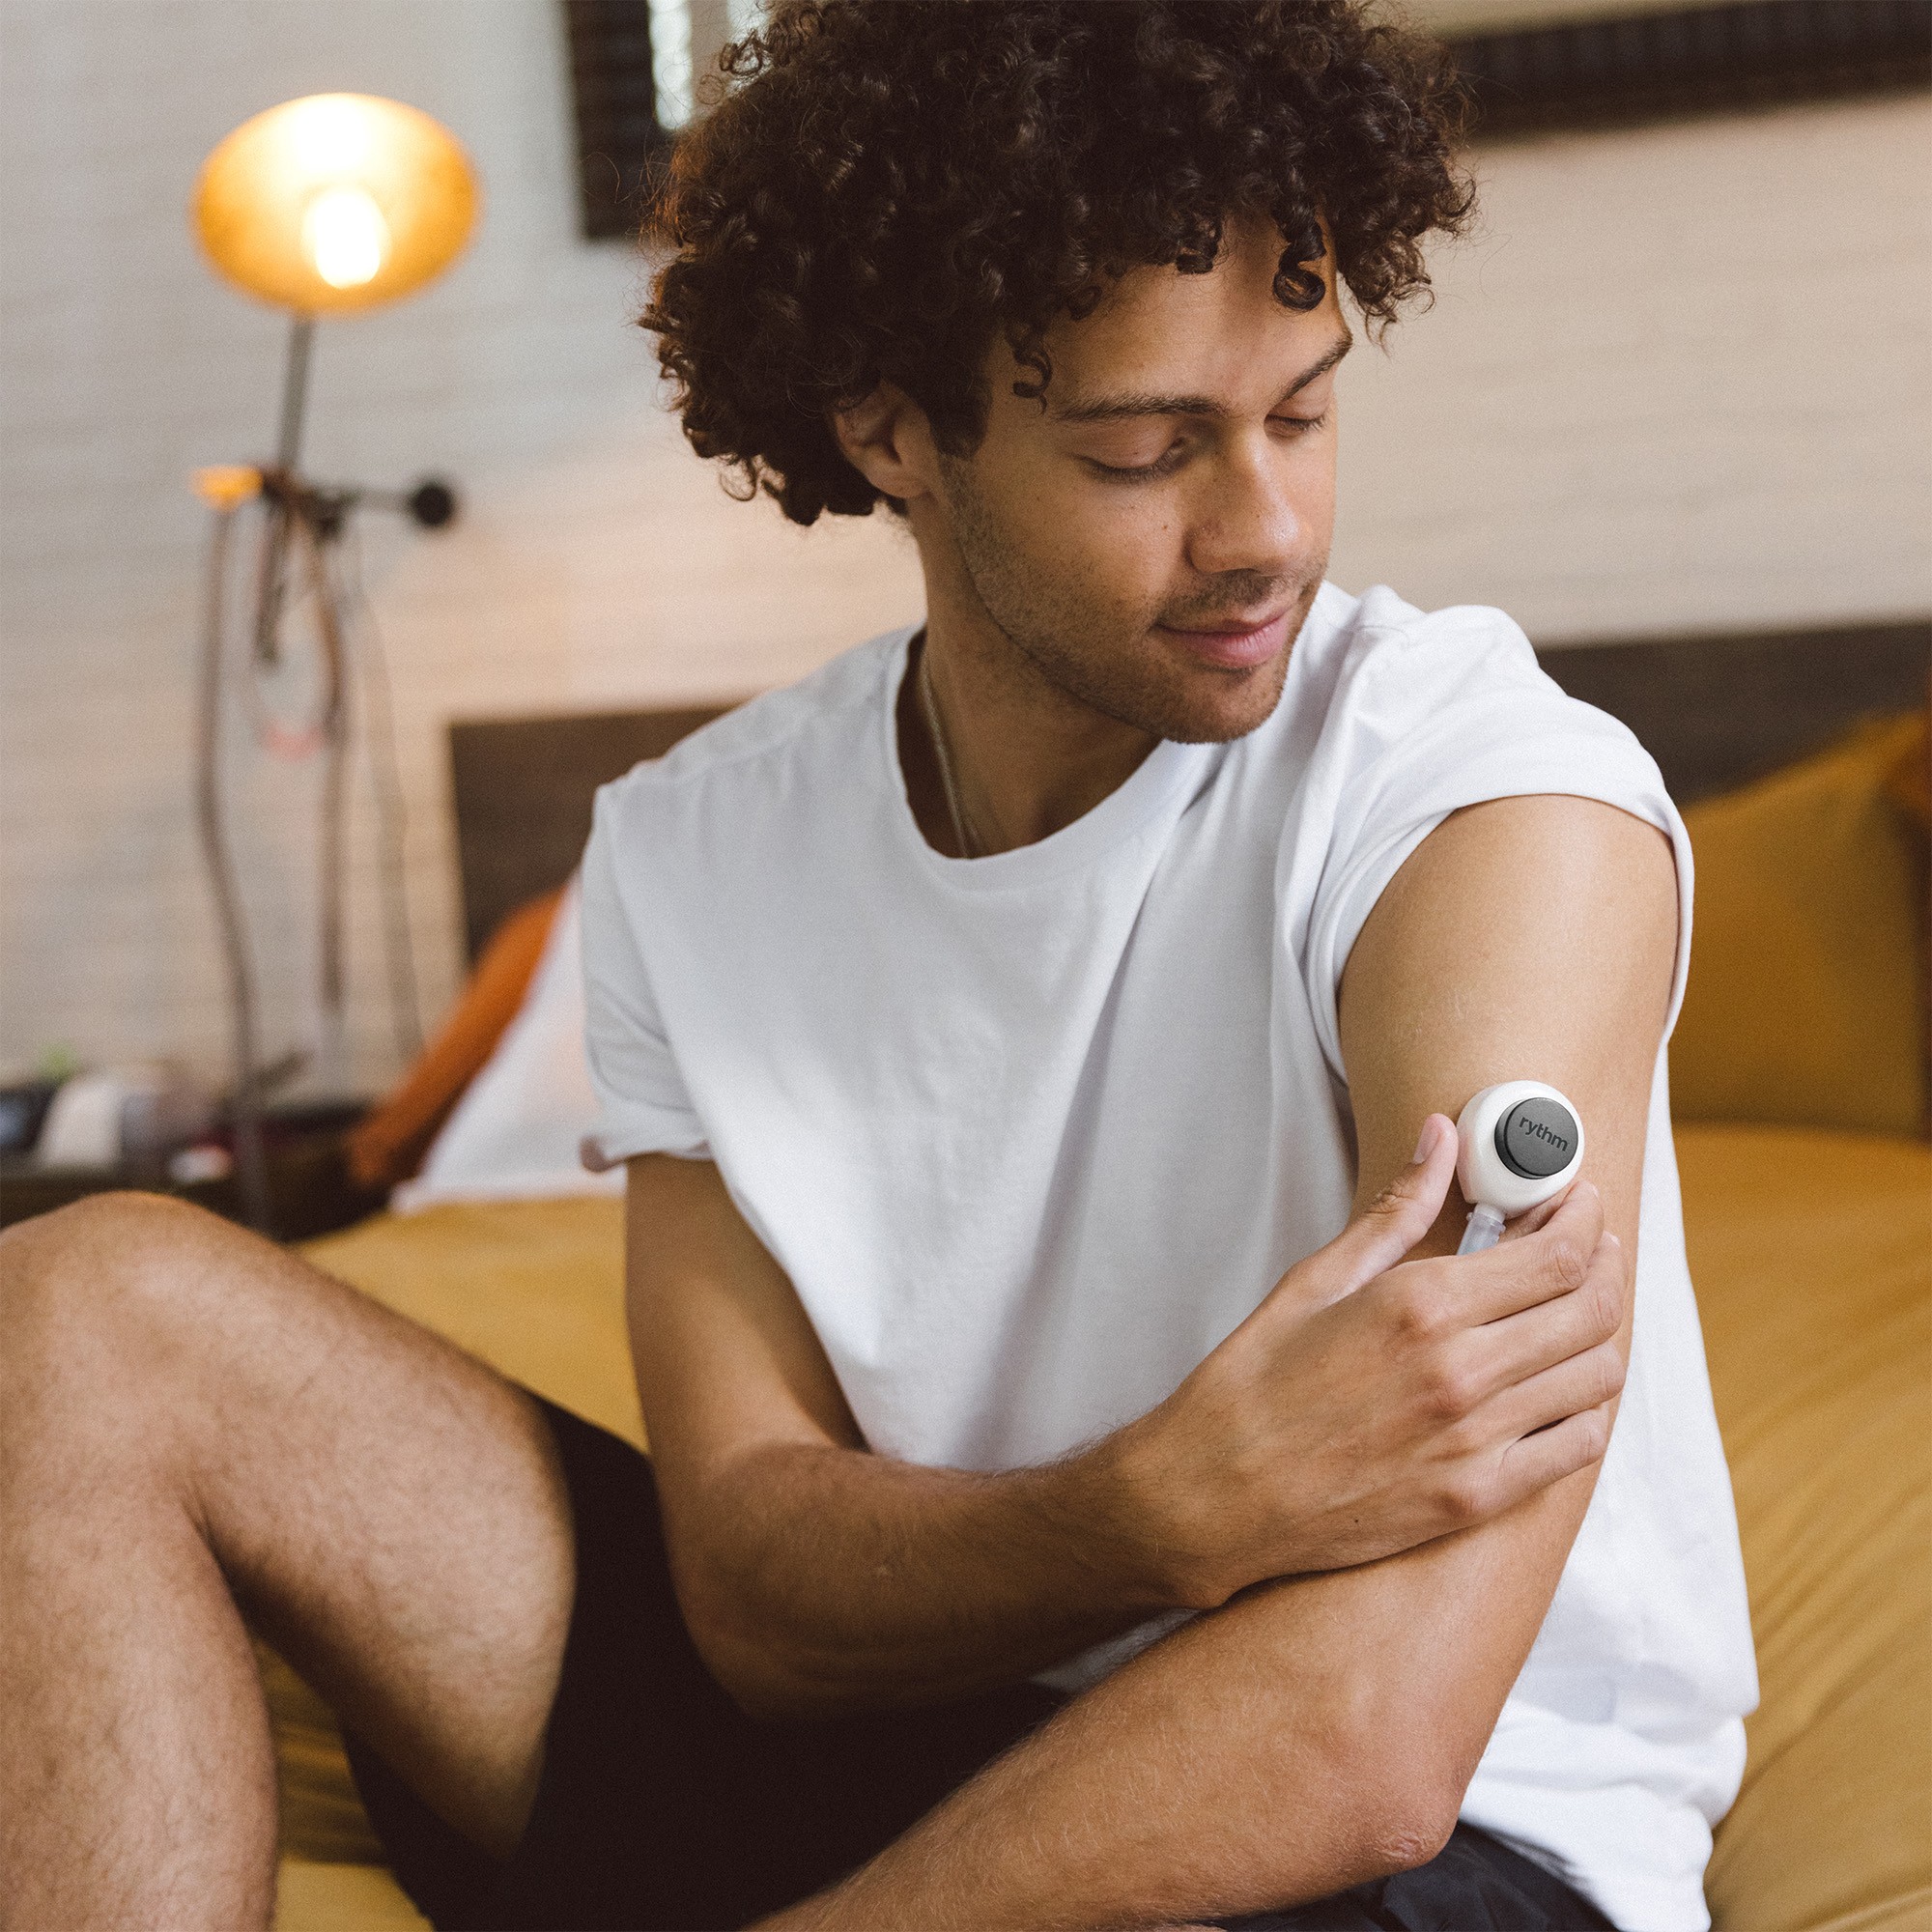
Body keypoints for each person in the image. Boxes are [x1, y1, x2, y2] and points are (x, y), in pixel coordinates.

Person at [0, 4, 1756, 1928]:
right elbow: (754, 1593)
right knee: (84, 1303)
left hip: (1412, 1846)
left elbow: (1373, 1734)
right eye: (1143, 446)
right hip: (918, 1723)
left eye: (1303, 411)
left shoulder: (1489, 806)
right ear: (889, 426)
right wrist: (1157, 1501)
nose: (1262, 528)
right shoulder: (690, 848)